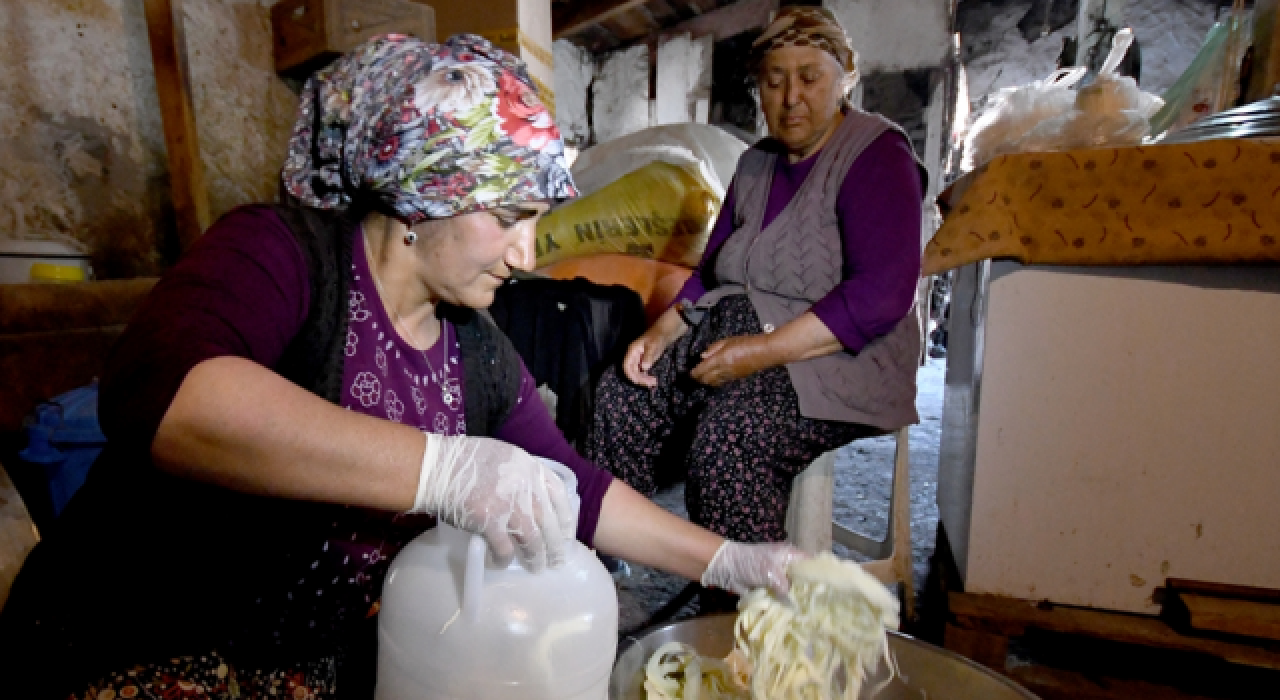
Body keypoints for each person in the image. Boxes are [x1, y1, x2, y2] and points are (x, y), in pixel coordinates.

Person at [0, 35, 801, 699]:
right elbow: (158, 391)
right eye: (508, 219)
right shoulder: (283, 256)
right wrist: (441, 469)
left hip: (305, 673)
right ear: (425, 194)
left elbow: (574, 488)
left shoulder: (474, 343)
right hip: (135, 647)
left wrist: (731, 558)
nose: (526, 255)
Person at [587, 7, 926, 557]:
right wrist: (662, 332)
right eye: (774, 80)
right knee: (623, 394)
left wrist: (759, 353)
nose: (791, 96)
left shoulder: (876, 155)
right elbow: (711, 270)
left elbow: (879, 296)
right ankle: (612, 561)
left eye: (810, 77)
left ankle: (744, 618)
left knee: (729, 441)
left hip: (836, 356)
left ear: (844, 79)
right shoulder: (755, 164)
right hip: (739, 331)